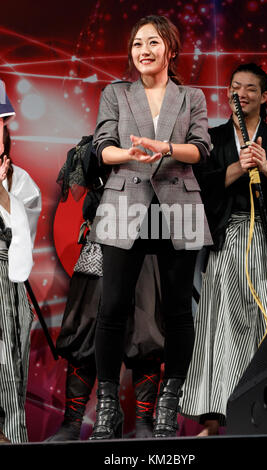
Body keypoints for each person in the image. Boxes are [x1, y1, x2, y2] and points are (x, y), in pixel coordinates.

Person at [87, 14, 212, 440]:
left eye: (153, 42)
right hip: (125, 201)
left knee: (178, 310)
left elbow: (201, 149)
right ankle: (107, 408)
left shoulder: (191, 95)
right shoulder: (116, 94)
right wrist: (131, 154)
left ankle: (167, 405)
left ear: (170, 50)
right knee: (113, 307)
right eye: (138, 43)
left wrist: (167, 148)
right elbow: (101, 148)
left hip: (179, 204)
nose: (144, 50)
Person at [180, 63, 267, 436]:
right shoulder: (211, 139)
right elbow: (199, 187)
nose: (242, 93)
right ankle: (217, 417)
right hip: (231, 237)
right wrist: (237, 167)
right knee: (224, 328)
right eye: (236, 87)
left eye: (251, 88)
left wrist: (266, 167)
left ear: (265, 97)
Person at [46, 140, 164, 441]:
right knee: (84, 331)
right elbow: (80, 182)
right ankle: (72, 423)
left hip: (147, 242)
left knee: (146, 333)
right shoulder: (95, 142)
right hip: (102, 240)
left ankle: (143, 423)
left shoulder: (163, 139)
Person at [0, 94, 41, 443]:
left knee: (6, 373)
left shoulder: (21, 182)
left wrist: (1, 192)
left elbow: (22, 258)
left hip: (6, 289)